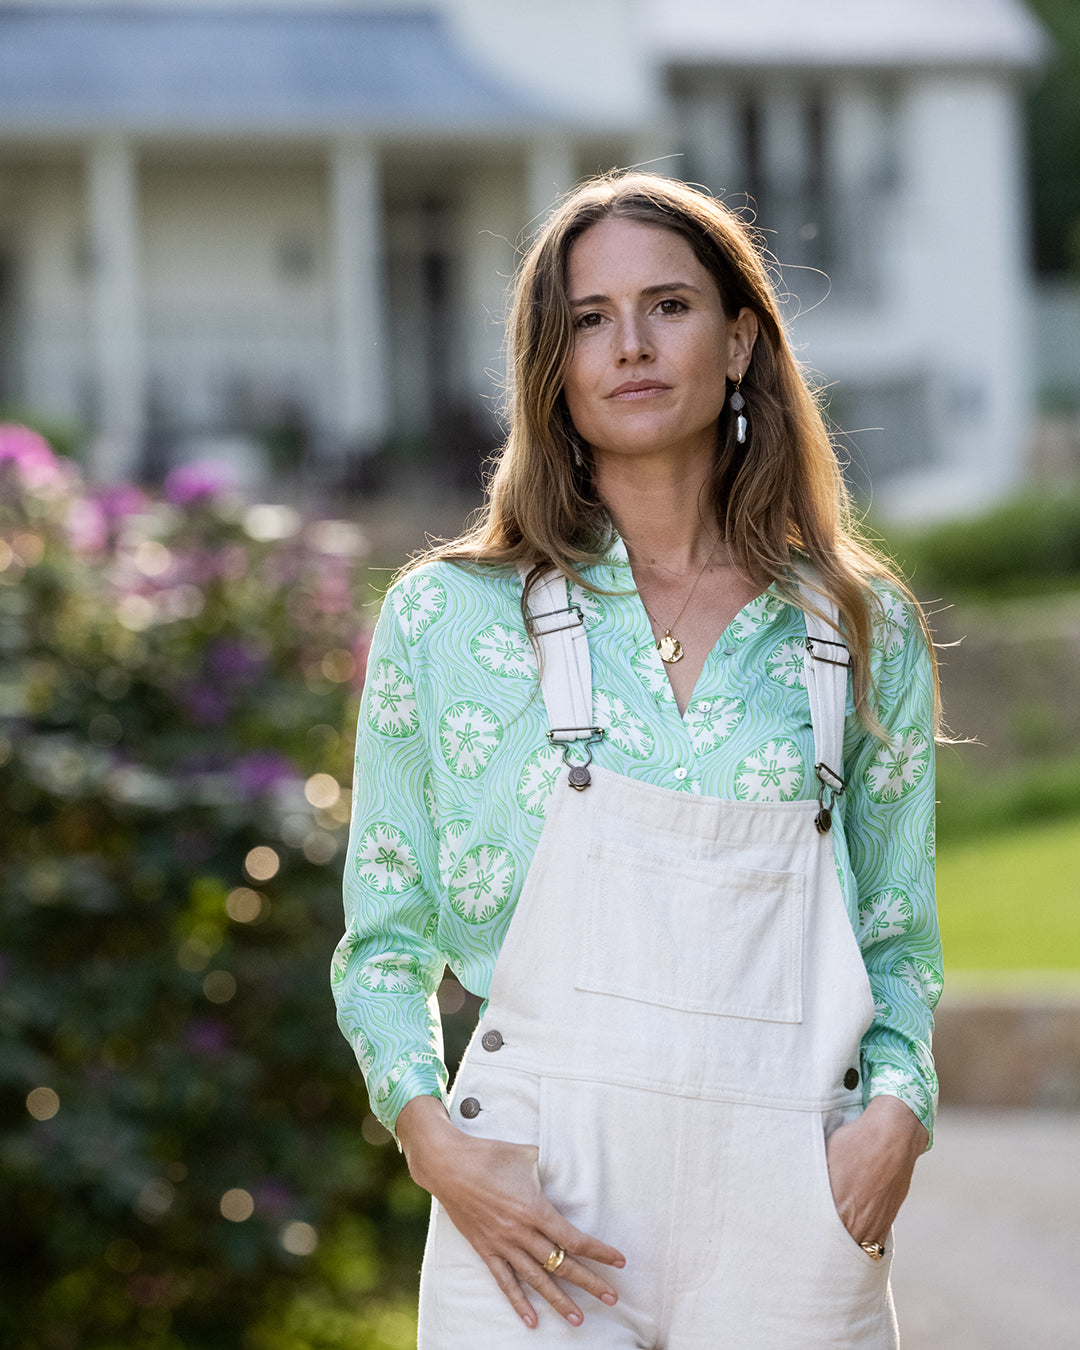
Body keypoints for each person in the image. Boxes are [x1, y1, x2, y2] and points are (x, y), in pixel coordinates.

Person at [332, 170, 942, 1348]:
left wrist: (898, 1118)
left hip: (789, 1205)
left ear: (739, 342)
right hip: (534, 1212)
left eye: (668, 306)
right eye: (591, 320)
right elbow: (383, 941)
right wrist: (436, 1145)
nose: (631, 346)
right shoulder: (448, 620)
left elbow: (898, 937)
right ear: (552, 369)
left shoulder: (856, 629)